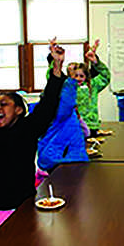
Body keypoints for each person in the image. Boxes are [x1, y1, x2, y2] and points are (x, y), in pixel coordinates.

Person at [0, 43, 66, 227]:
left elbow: (49, 104)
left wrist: (57, 67)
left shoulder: (28, 129)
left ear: (19, 109)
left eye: (3, 104)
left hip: (25, 202)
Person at [37, 40, 89, 174]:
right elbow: (53, 80)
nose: (77, 78)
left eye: (80, 76)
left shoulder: (70, 90)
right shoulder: (63, 88)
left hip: (71, 158)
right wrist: (56, 63)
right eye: (74, 75)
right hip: (58, 158)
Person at [75, 40, 111, 137]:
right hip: (76, 125)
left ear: (86, 76)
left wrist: (95, 62)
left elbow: (106, 76)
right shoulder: (70, 88)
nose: (78, 78)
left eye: (81, 76)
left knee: (92, 150)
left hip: (92, 125)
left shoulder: (93, 85)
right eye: (76, 76)